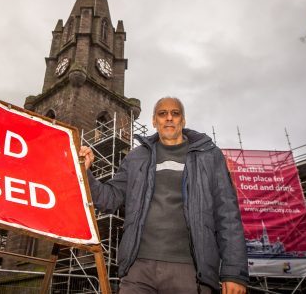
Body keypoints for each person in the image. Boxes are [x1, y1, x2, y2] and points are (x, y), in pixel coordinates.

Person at [79, 97, 248, 294]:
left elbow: (227, 214)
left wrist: (234, 272)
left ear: (183, 121)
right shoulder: (136, 157)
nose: (169, 118)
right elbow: (108, 199)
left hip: (191, 272)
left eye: (175, 114)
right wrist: (85, 172)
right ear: (154, 121)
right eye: (162, 114)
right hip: (138, 270)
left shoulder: (208, 156)